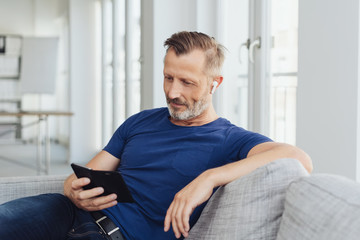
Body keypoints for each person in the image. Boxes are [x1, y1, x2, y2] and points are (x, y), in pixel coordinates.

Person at [0, 31, 312, 240]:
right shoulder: (140, 122)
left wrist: (209, 179)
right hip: (64, 211)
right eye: (168, 77)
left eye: (187, 83)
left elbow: (299, 159)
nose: (173, 92)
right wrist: (73, 190)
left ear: (215, 82)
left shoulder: (230, 139)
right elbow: (88, 172)